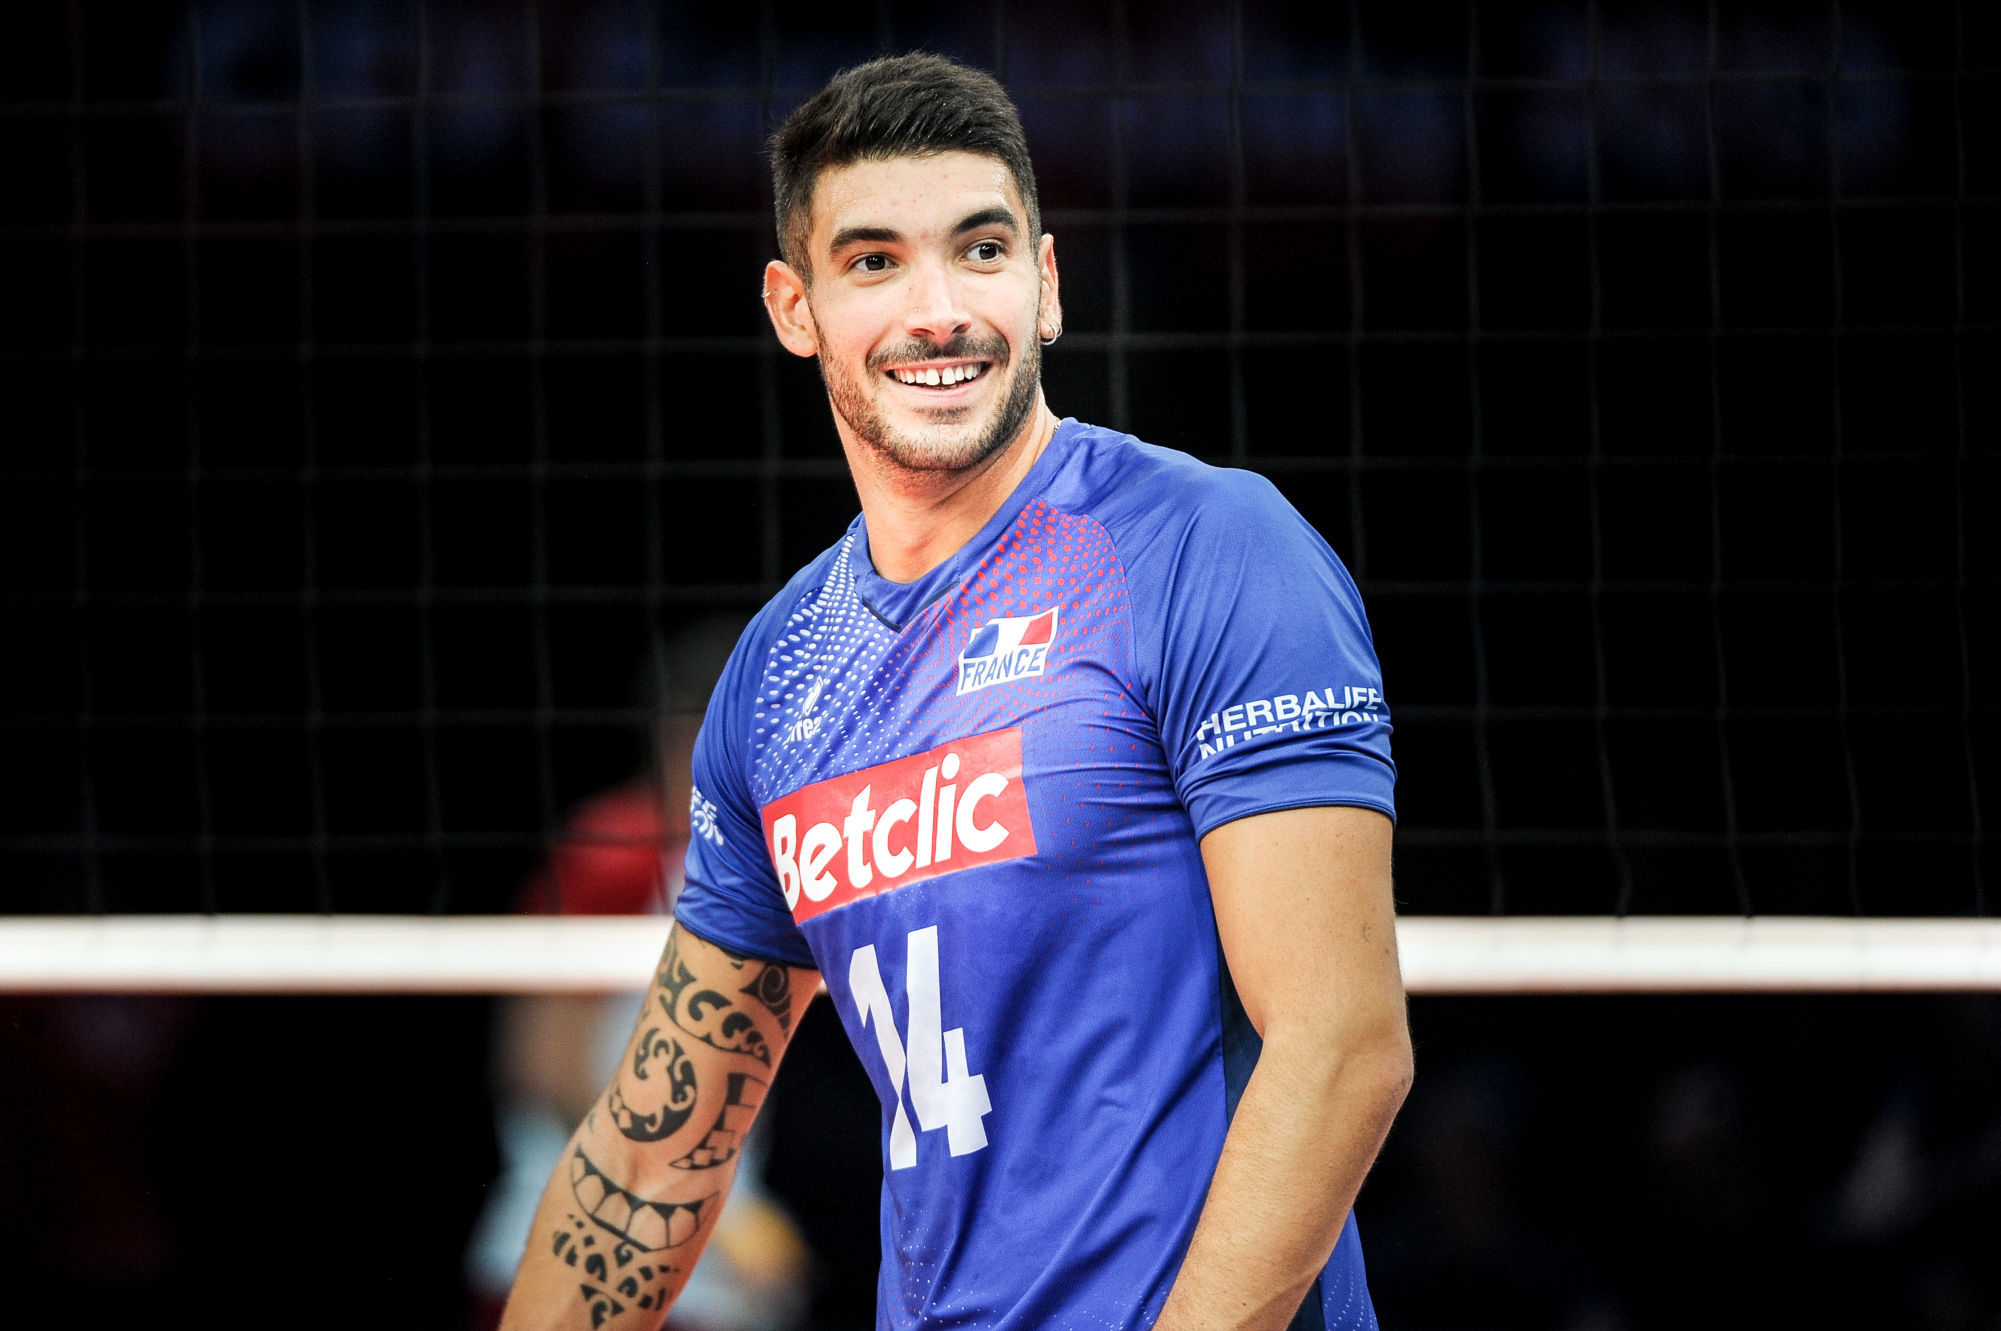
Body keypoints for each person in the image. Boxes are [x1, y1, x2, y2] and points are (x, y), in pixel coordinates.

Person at [502, 53, 1411, 1331]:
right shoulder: (777, 680)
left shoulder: (1205, 547)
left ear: (1045, 285)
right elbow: (651, 1156)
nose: (939, 310)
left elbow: (1342, 1046)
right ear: (794, 305)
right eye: (874, 261)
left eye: (980, 251)